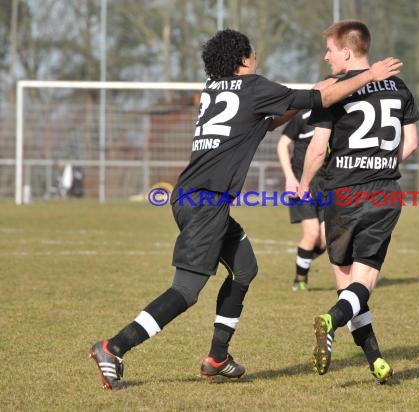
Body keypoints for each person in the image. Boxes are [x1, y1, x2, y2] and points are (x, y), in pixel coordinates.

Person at [89, 28, 403, 390]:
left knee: (244, 268)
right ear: (242, 60)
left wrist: (312, 96)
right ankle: (114, 347)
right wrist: (370, 75)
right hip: (205, 202)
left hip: (197, 197)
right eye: (253, 54)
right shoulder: (254, 87)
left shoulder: (215, 89)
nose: (257, 59)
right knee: (186, 291)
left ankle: (217, 357)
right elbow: (323, 97)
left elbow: (267, 121)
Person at [297, 20, 419, 384]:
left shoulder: (334, 90)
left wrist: (304, 184)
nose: (326, 56)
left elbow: (318, 148)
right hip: (384, 192)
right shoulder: (399, 86)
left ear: (347, 52)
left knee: (347, 282)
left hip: (341, 193)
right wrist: (379, 165)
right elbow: (410, 144)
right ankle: (376, 360)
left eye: (330, 50)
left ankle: (332, 320)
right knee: (361, 285)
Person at [276, 109, 327, 291]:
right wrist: (289, 177)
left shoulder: (338, 115)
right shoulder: (304, 115)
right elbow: (282, 145)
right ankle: (300, 280)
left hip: (326, 184)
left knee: (328, 238)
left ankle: (303, 257)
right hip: (301, 181)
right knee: (312, 234)